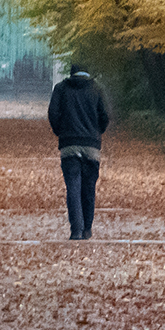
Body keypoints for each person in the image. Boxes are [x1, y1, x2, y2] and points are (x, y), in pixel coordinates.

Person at [47, 63, 109, 240]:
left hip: (69, 144)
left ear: (71, 73)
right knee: (89, 187)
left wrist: (61, 132)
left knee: (73, 186)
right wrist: (96, 133)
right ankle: (87, 228)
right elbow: (105, 116)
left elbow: (53, 113)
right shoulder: (97, 89)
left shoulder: (61, 89)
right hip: (91, 146)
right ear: (88, 72)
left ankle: (76, 230)